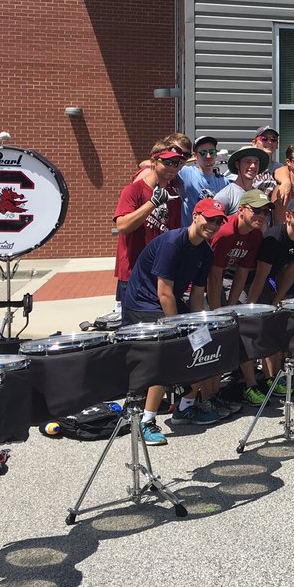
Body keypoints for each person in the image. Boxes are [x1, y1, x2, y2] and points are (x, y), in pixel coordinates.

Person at [121, 198, 227, 438]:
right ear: (196, 216)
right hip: (143, 304)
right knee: (168, 353)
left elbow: (198, 295)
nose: (213, 225)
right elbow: (164, 292)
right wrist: (177, 329)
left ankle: (185, 408)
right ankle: (146, 422)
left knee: (204, 344)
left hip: (166, 301)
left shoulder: (205, 251)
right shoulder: (172, 242)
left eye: (219, 221)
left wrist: (200, 324)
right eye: (209, 218)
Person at [112, 142, 186, 445]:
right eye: (167, 162)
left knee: (160, 345)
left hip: (160, 277)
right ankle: (134, 403)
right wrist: (150, 205)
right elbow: (122, 226)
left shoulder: (175, 194)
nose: (171, 167)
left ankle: (150, 405)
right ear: (154, 162)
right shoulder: (135, 190)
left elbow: (173, 234)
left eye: (177, 163)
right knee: (136, 346)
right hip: (133, 277)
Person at [245, 195, 294, 402]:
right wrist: (252, 307)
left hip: (269, 280)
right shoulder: (274, 238)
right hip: (247, 279)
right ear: (288, 216)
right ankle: (254, 380)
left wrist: (277, 300)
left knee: (276, 326)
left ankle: (273, 377)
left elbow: (291, 272)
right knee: (255, 326)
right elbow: (259, 276)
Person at [205, 190, 274, 411]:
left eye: (265, 211)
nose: (262, 216)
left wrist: (233, 307)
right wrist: (219, 312)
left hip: (227, 278)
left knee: (241, 323)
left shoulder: (255, 235)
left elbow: (243, 273)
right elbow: (213, 276)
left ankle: (248, 382)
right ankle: (205, 393)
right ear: (242, 209)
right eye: (256, 210)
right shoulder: (225, 232)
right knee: (215, 333)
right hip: (202, 282)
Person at [179, 134, 228, 215]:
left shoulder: (224, 182)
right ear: (195, 155)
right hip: (190, 226)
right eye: (203, 153)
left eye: (212, 152)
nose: (208, 156)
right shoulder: (185, 173)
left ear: (216, 154)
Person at [215, 145, 271, 213]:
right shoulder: (225, 196)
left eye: (256, 162)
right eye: (248, 162)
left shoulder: (260, 195)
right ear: (237, 164)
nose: (253, 166)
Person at [251, 125, 281, 194]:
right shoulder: (246, 166)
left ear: (277, 145)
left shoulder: (280, 168)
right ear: (254, 143)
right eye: (264, 139)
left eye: (273, 139)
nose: (269, 142)